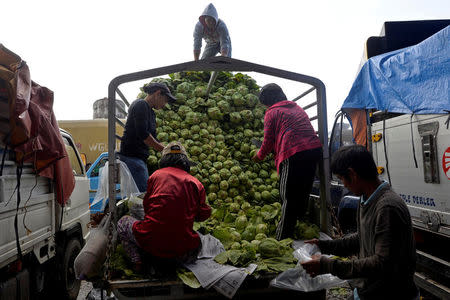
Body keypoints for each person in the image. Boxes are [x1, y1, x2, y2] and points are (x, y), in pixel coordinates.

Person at [301, 145, 419, 300]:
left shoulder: (387, 207)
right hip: (367, 291)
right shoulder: (366, 199)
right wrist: (323, 245)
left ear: (352, 174)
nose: (344, 185)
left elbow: (381, 264)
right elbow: (362, 237)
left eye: (342, 179)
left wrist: (328, 265)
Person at [117, 142, 211, 271]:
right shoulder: (195, 182)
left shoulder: (155, 176)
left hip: (151, 244)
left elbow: (148, 207)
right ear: (185, 162)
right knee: (200, 241)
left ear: (164, 160)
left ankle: (137, 261)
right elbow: (203, 215)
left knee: (122, 222)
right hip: (183, 250)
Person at [252, 83, 322, 240]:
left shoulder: (272, 112)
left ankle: (282, 237)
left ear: (267, 101)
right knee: (303, 192)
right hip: (313, 150)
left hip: (293, 151)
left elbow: (268, 141)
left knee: (288, 197)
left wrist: (259, 156)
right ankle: (300, 224)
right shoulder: (296, 108)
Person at [118, 82, 176, 192]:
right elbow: (143, 134)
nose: (165, 105)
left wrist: (169, 148)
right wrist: (164, 150)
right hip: (132, 157)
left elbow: (153, 137)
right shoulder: (140, 104)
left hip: (139, 159)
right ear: (158, 93)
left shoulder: (151, 113)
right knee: (144, 195)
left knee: (142, 194)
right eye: (165, 100)